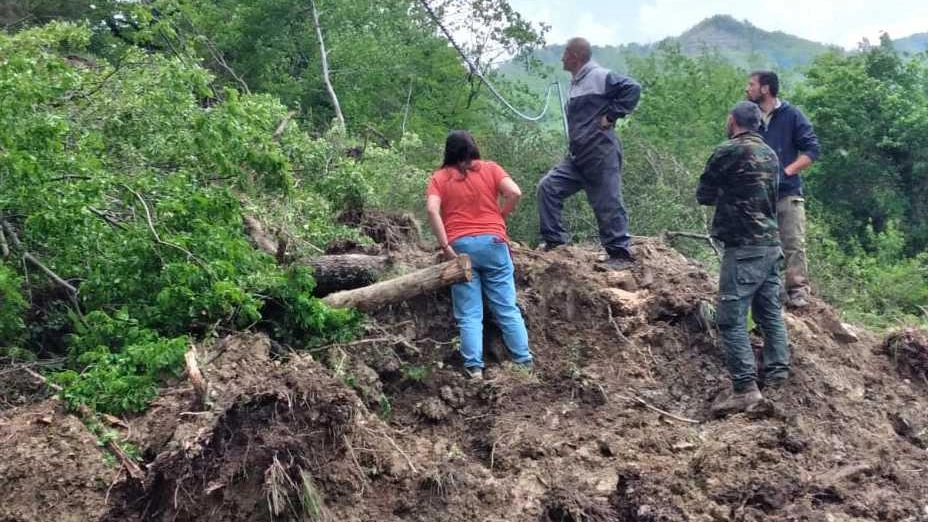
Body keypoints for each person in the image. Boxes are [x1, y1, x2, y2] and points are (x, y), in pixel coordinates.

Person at [697, 101, 790, 416]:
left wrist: (728, 193)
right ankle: (779, 377)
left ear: (733, 121)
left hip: (744, 246)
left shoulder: (728, 150)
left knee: (730, 319)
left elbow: (704, 194)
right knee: (769, 313)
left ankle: (745, 389)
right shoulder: (770, 154)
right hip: (771, 244)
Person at [425, 131, 534, 380]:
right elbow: (515, 192)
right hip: (494, 243)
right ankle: (524, 362)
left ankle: (474, 368)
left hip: (461, 246)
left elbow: (432, 209)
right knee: (506, 306)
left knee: (469, 313)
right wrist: (500, 217)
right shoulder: (492, 169)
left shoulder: (440, 178)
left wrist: (445, 246)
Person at [537, 37, 642, 270]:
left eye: (565, 52)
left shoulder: (598, 75)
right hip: (578, 156)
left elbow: (633, 88)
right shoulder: (575, 82)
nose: (562, 57)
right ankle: (555, 243)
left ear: (575, 56)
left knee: (608, 202)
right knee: (548, 187)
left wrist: (611, 116)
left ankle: (620, 255)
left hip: (601, 153)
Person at [746, 71, 821, 308]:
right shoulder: (747, 115)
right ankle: (762, 291)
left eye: (751, 84)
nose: (747, 89)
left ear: (765, 88)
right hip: (756, 194)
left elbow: (812, 150)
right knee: (756, 244)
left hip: (788, 192)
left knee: (793, 243)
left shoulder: (792, 115)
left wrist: (787, 172)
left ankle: (798, 291)